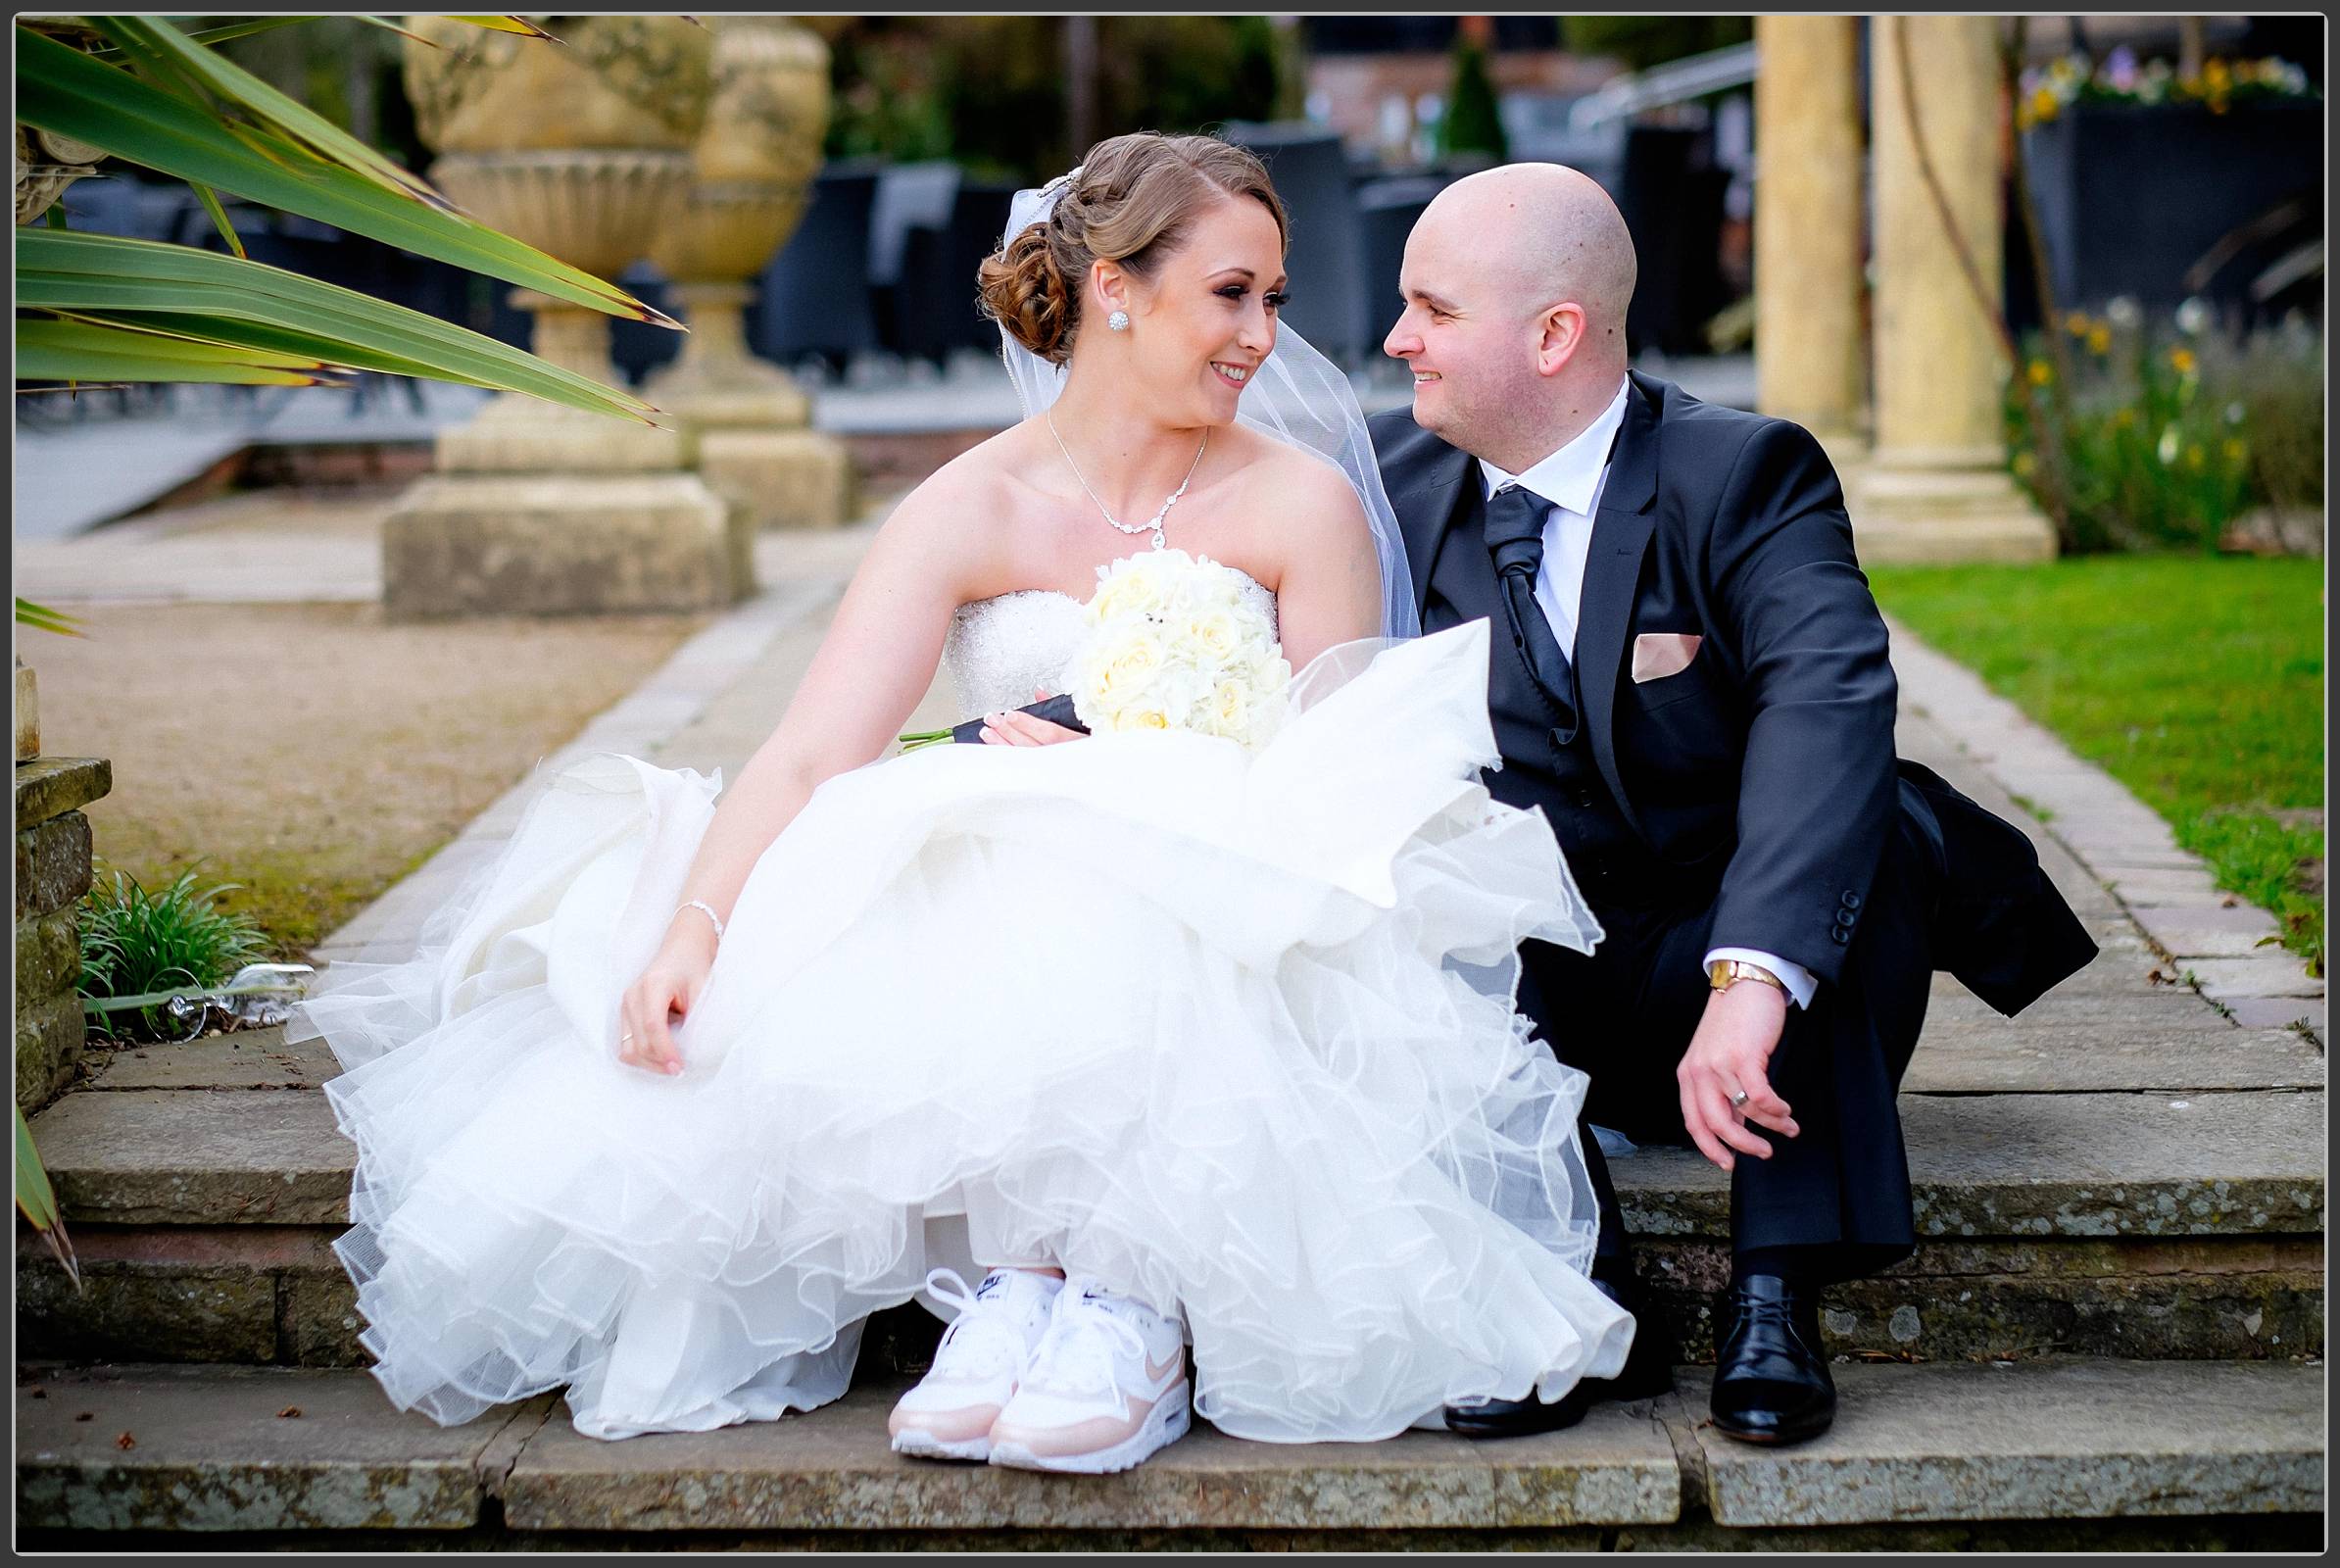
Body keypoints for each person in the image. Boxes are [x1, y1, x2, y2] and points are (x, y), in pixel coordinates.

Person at [289, 133, 1636, 1474]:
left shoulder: (1303, 503)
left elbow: (1345, 782)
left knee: (1072, 826)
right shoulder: (967, 505)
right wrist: (697, 925)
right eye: (1234, 294)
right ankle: (1022, 1286)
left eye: (1273, 300)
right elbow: (814, 754)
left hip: (1233, 905)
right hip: (1009, 920)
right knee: (963, 828)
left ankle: (1124, 1300)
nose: (1263, 337)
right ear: (1114, 287)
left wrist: (1139, 772)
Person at [1371, 164, 2099, 1446]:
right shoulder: (1386, 488)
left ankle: (1775, 1292)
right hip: (1537, 975)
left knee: (1857, 818)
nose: (1396, 339)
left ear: (1554, 336)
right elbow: (1257, 649)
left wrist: (1750, 979)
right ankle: (1579, 1289)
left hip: (1759, 984)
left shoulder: (1746, 475)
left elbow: (1831, 700)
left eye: (1431, 308)